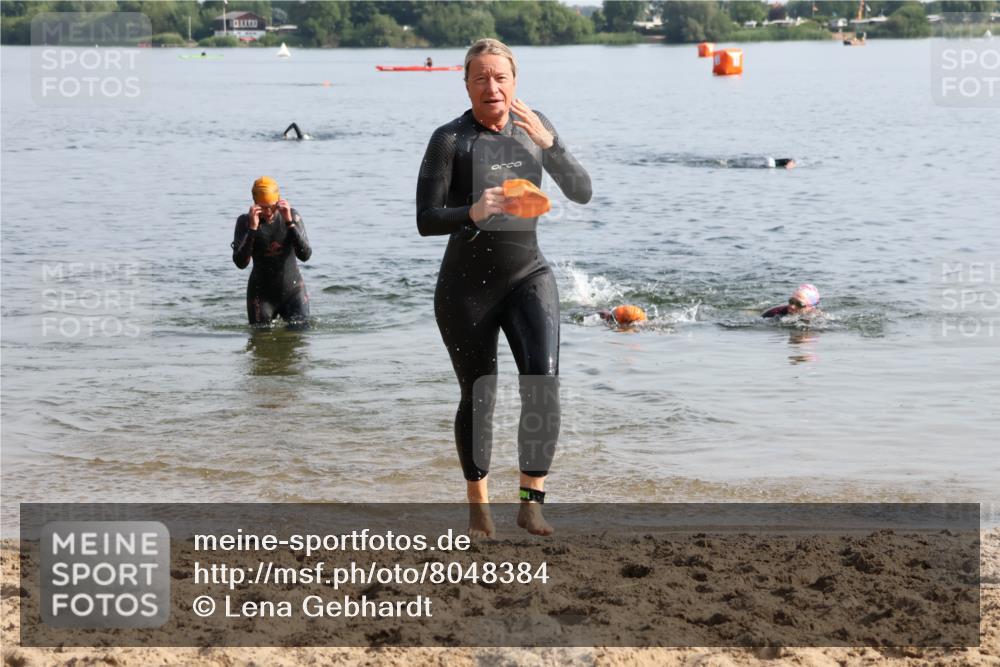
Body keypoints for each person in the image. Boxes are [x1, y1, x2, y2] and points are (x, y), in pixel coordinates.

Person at [416, 38, 592, 538]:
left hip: (527, 276)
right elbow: (426, 219)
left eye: (500, 77)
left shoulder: (536, 127)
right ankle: (479, 505)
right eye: (480, 78)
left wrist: (552, 145)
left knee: (544, 385)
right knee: (480, 395)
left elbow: (581, 191)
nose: (491, 86)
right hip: (465, 288)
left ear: (514, 81)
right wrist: (473, 211)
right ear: (466, 83)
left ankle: (530, 501)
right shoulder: (450, 139)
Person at [232, 176, 312, 326]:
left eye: (271, 206)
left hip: (293, 291)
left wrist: (290, 223)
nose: (267, 212)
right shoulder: (245, 222)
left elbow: (305, 255)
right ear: (255, 203)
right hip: (261, 296)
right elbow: (241, 263)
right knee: (261, 341)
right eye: (262, 208)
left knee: (300, 337)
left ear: (278, 201)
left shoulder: (291, 216)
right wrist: (252, 229)